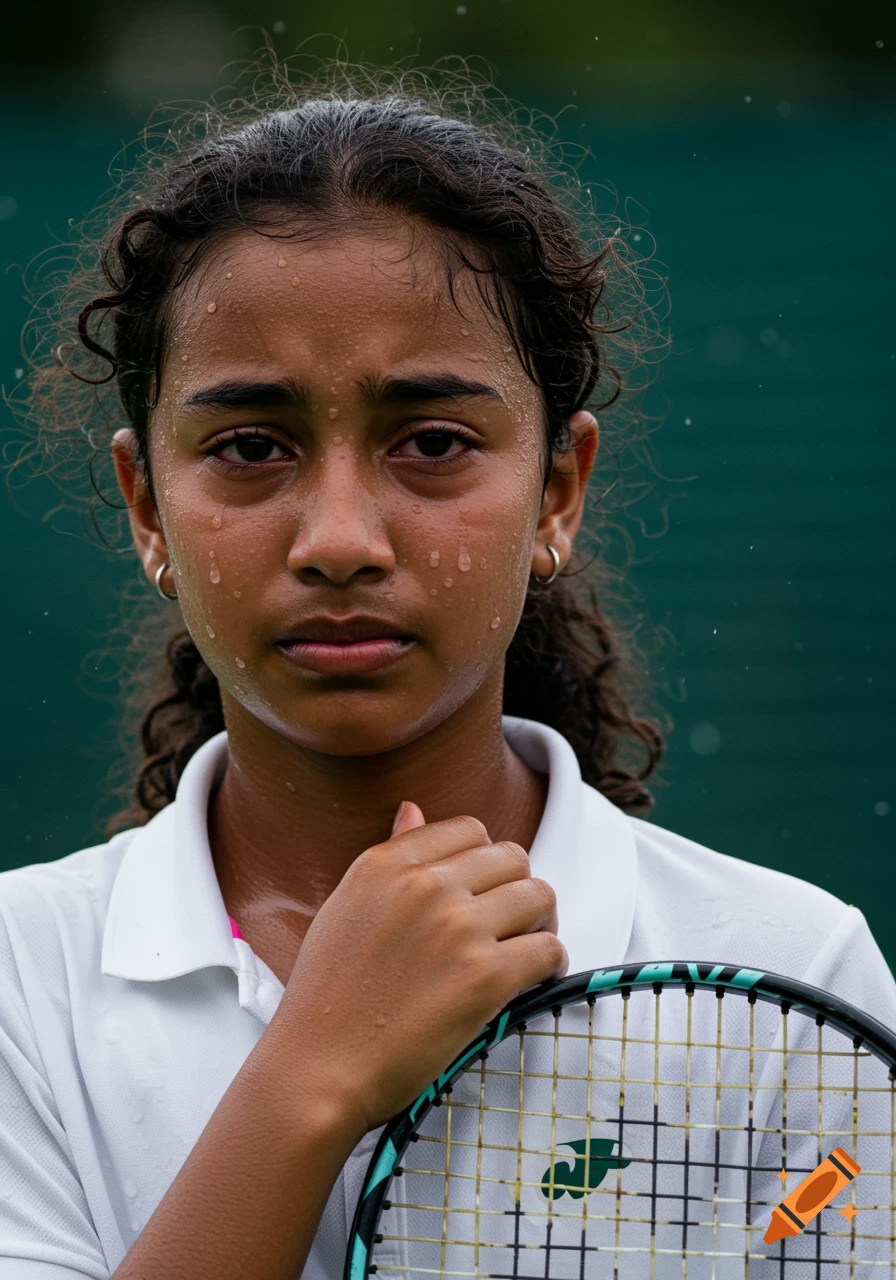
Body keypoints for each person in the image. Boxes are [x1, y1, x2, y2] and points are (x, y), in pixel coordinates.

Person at [1, 60, 894, 1280]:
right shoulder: (18, 978)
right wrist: (309, 1077)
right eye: (250, 446)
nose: (339, 539)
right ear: (146, 504)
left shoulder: (792, 969)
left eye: (431, 442)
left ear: (557, 491)